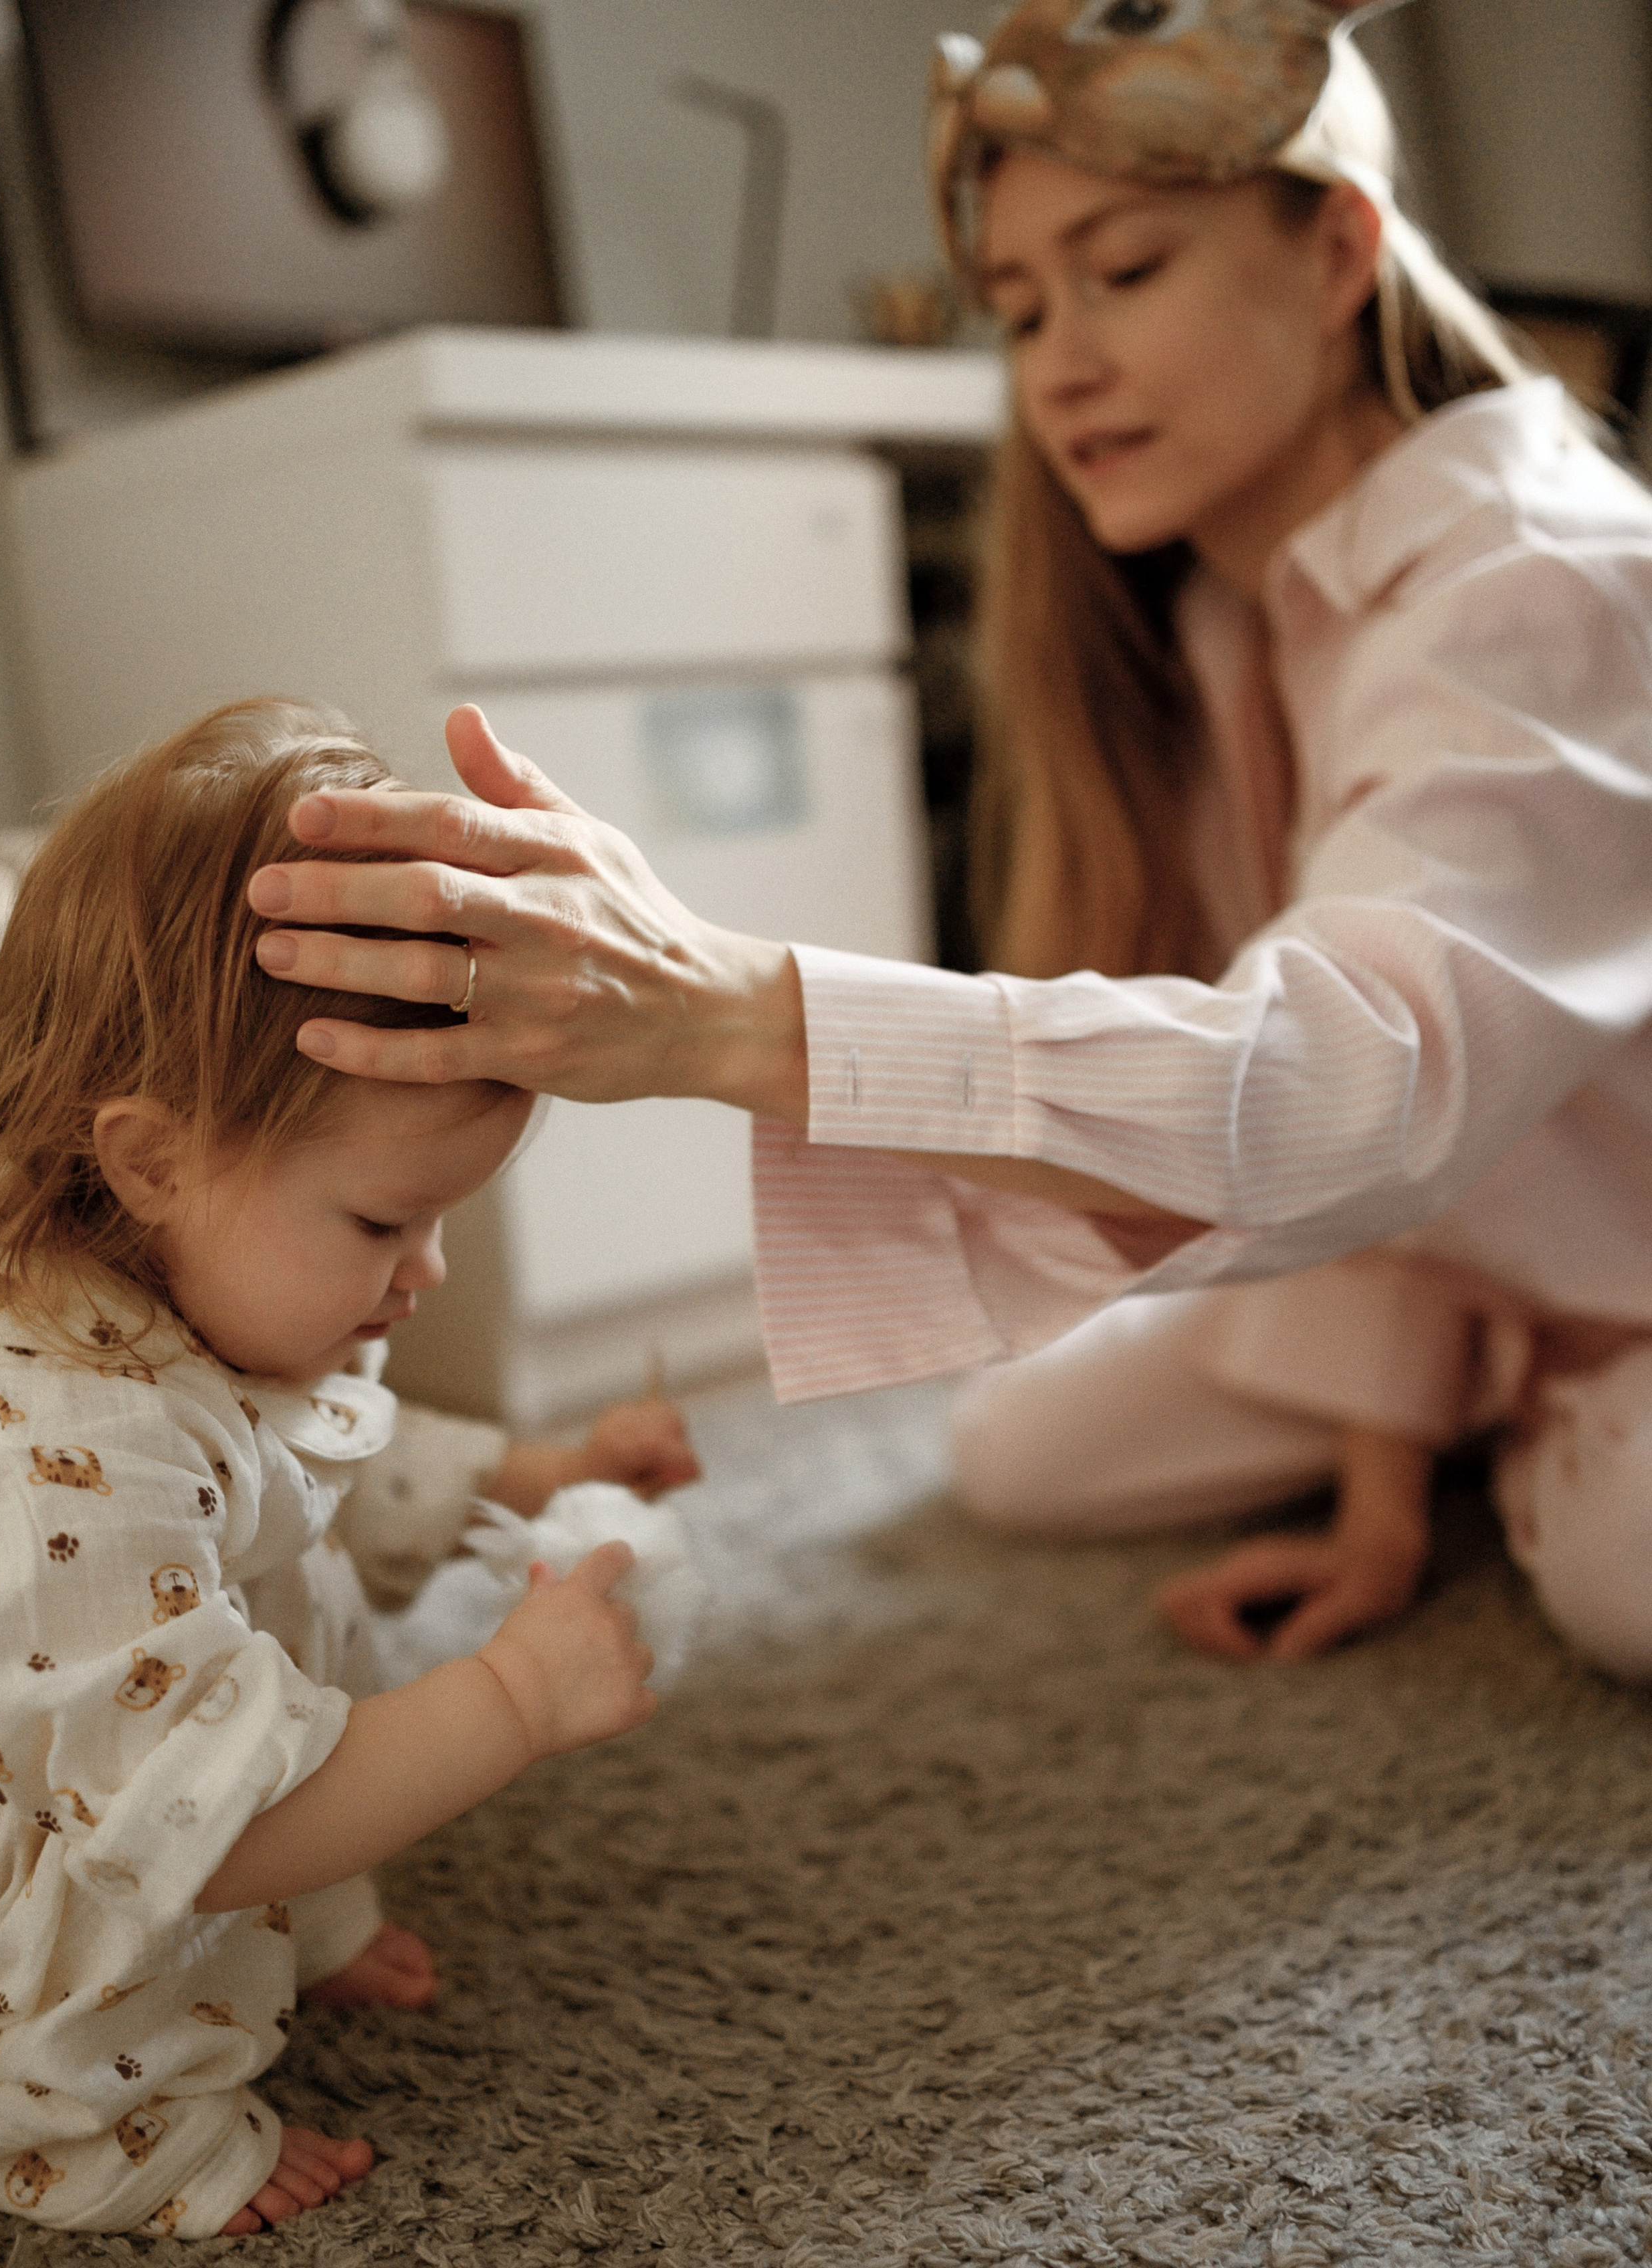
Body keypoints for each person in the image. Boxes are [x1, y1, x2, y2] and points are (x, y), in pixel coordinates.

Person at [242, 10, 1652, 1679]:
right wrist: (1380, 1497)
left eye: (1122, 270)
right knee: (1019, 1447)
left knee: (1616, 1577)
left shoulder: (1537, 592)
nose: (1057, 363)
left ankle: (1567, 1432)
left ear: (1340, 247)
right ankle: (1491, 1401)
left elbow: (1350, 1086)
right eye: (1022, 306)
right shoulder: (1219, 619)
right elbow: (1374, 1156)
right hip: (1491, 1252)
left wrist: (724, 1006)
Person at [0, 699, 700, 2241]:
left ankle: (303, 1915)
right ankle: (101, 2117)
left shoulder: (169, 1291)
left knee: (286, 1577)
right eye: (377, 1224)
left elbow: (318, 1460)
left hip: (148, 1735)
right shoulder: (60, 1461)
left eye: (438, 1219)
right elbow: (195, 1822)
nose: (422, 1273)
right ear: (150, 1157)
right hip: (23, 1838)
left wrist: (537, 1468)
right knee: (159, 1812)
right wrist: (509, 1699)